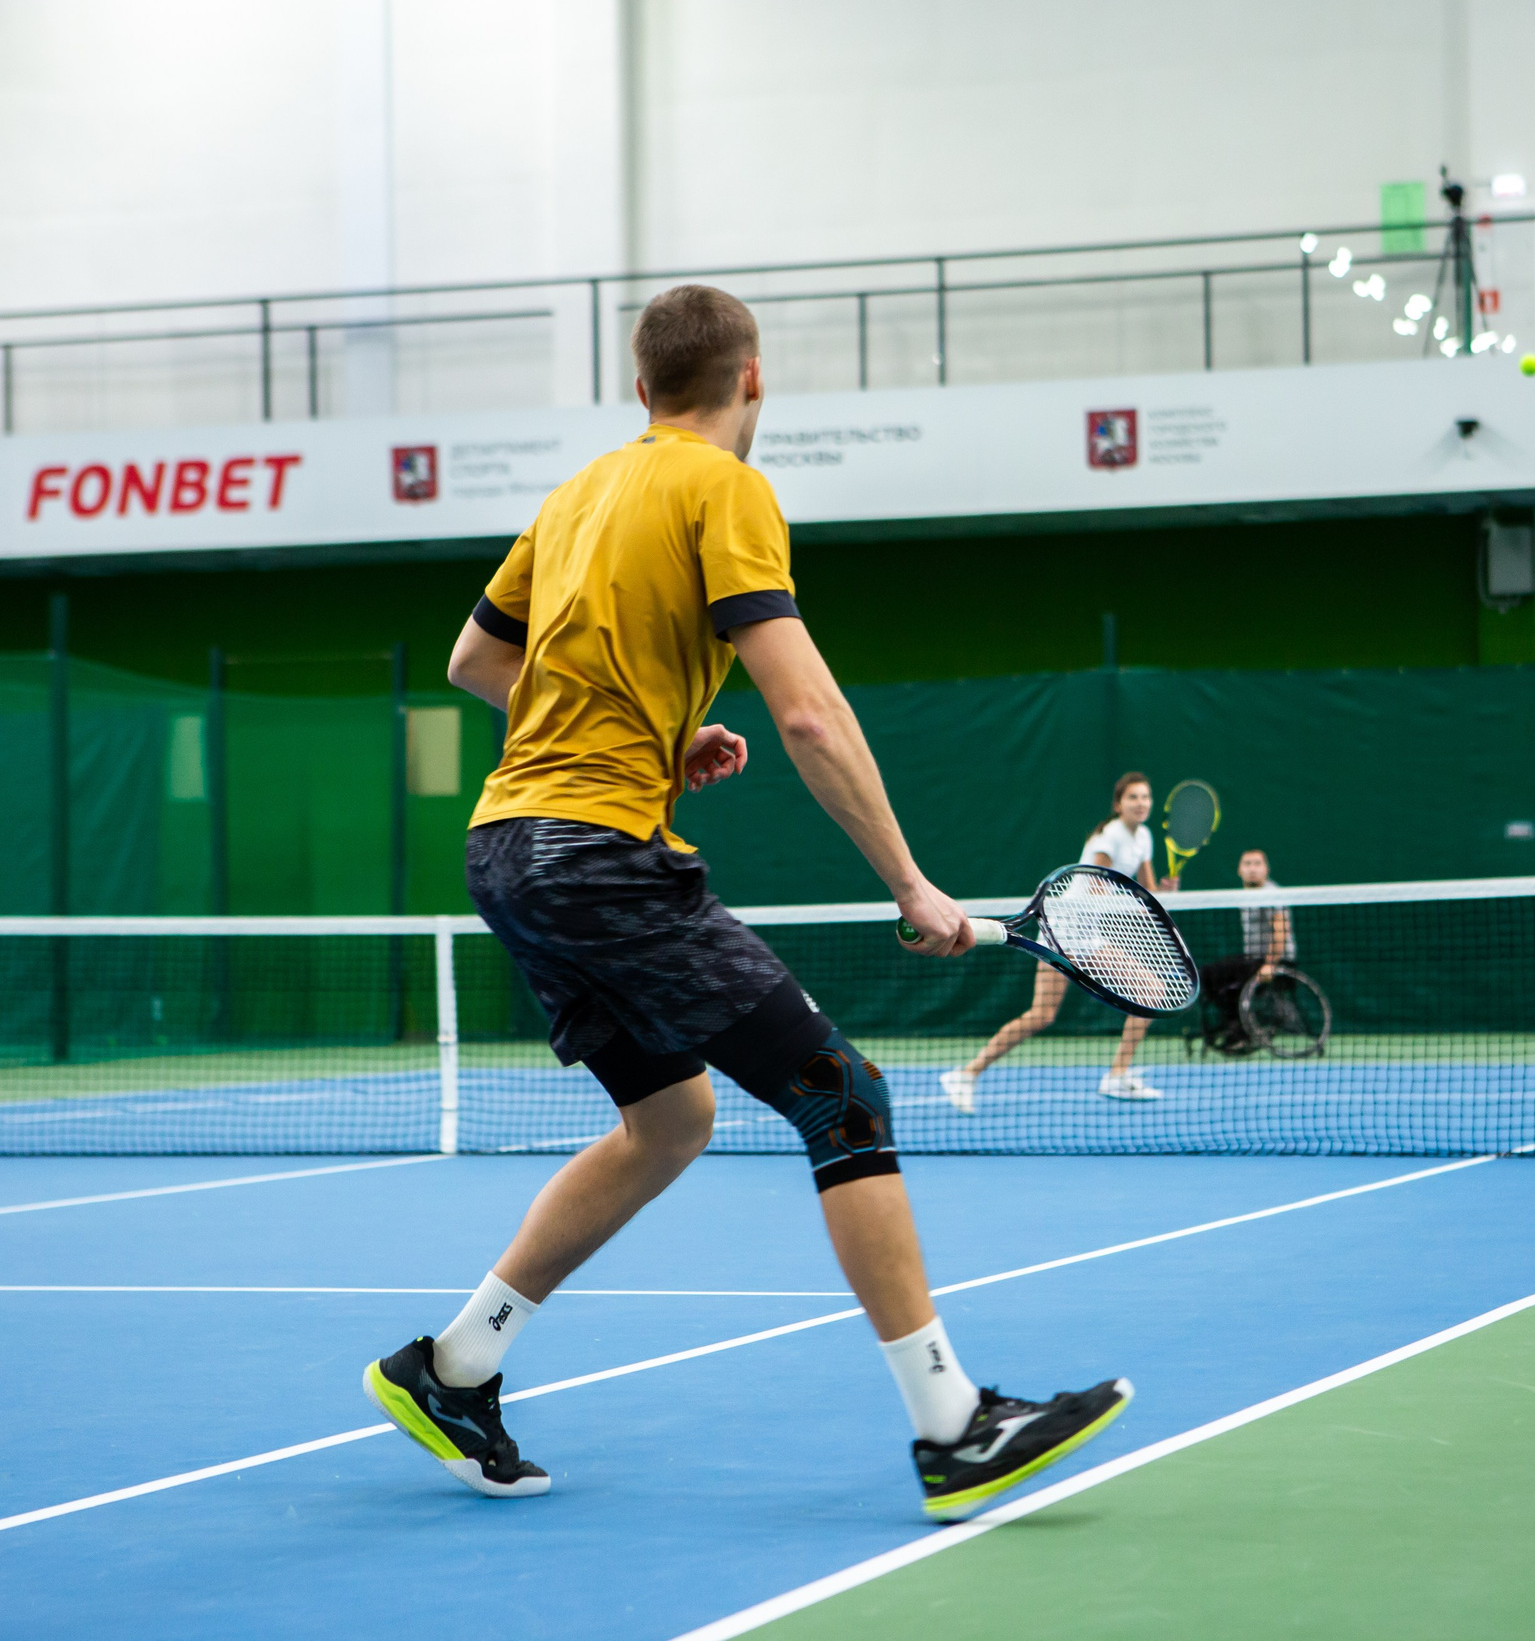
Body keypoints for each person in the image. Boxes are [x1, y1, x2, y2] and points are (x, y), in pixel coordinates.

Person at [359, 285, 1129, 1523]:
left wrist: (652, 746)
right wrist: (910, 885)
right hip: (595, 853)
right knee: (841, 1092)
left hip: (505, 844)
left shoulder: (576, 497)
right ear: (752, 379)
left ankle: (454, 1367)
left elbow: (475, 664)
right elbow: (811, 713)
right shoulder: (725, 491)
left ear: (641, 385)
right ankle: (953, 1425)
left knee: (669, 1122)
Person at [940, 771, 1171, 1113]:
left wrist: (1167, 896)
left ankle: (1116, 1074)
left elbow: (1146, 891)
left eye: (1146, 797)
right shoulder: (1108, 838)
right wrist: (1138, 908)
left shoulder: (1145, 838)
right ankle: (966, 1074)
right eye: (1133, 797)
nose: (1141, 803)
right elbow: (1097, 891)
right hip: (1066, 929)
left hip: (1090, 932)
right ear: (1118, 804)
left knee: (1139, 993)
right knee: (1048, 1013)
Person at [1199, 848, 1290, 1051]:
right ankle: (1235, 1028)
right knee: (1210, 975)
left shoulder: (1271, 894)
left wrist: (1270, 964)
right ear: (1239, 870)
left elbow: (1281, 930)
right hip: (1253, 960)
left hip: (1274, 962)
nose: (1252, 869)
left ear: (1266, 869)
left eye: (1257, 864)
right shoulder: (1245, 895)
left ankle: (1240, 1032)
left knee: (1224, 978)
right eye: (1247, 864)